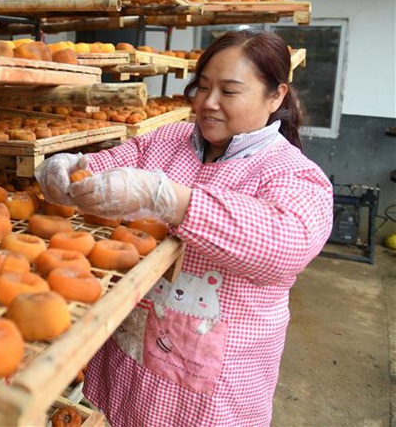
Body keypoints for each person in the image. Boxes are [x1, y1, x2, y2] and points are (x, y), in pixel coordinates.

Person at [35, 30, 334, 426]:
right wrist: (71, 168)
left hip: (213, 380)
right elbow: (114, 164)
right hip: (136, 356)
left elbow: (284, 245)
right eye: (203, 87)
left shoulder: (292, 174)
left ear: (275, 96)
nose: (208, 104)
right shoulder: (170, 140)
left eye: (229, 92)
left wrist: (174, 201)